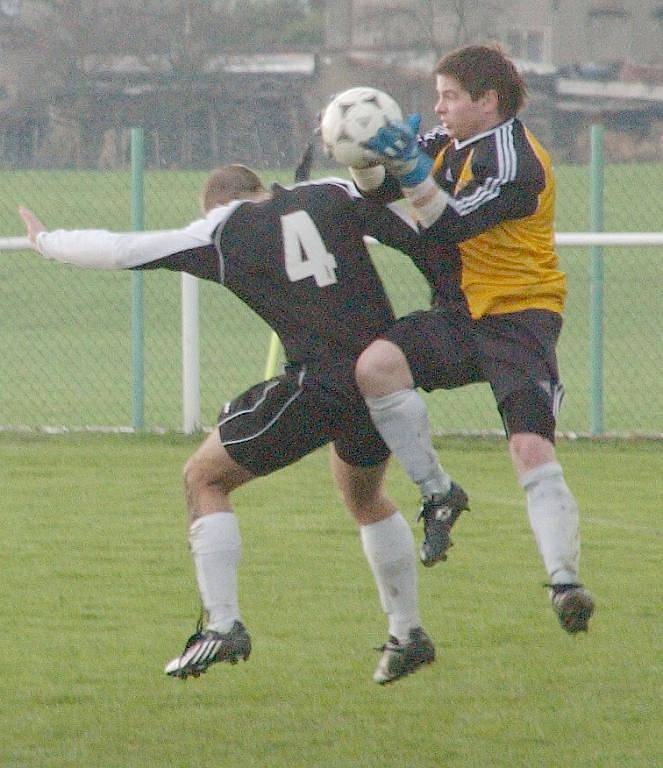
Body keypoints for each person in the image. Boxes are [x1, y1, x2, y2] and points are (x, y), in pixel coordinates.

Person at [18, 164, 438, 685]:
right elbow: (396, 212)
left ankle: (222, 624)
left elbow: (125, 249)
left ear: (213, 205)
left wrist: (48, 242)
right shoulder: (329, 192)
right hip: (383, 378)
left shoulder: (220, 228)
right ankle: (408, 632)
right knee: (365, 499)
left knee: (204, 477)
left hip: (320, 385)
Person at [348, 44, 595, 633]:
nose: (438, 108)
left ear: (488, 101)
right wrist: (361, 157)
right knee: (375, 368)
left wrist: (409, 169)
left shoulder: (517, 161)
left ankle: (565, 583)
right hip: (461, 311)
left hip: (520, 314)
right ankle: (439, 493)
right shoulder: (445, 145)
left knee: (529, 448)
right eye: (437, 96)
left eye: (450, 96)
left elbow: (448, 223)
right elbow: (378, 194)